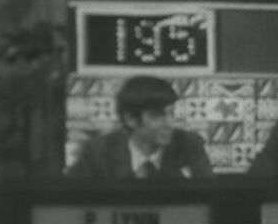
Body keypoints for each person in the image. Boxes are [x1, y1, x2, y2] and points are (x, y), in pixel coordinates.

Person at [68, 76, 212, 179]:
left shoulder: (189, 145)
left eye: (171, 113)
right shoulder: (99, 152)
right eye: (157, 116)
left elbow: (209, 198)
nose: (169, 123)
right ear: (131, 120)